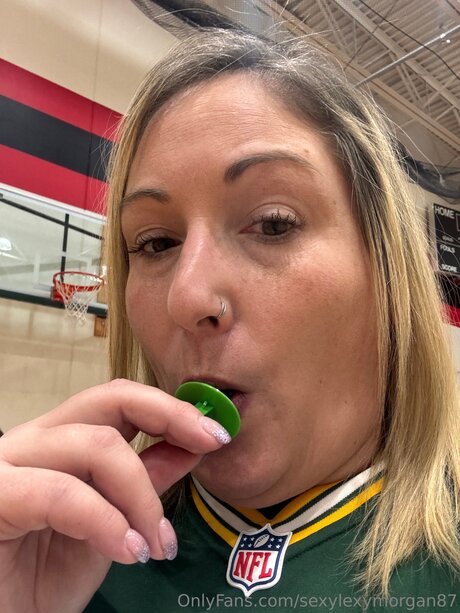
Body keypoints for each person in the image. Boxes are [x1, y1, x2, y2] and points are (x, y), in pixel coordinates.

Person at [0, 28, 459, 613]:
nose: (187, 296)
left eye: (273, 223)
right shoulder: (57, 553)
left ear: (387, 276)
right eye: (156, 242)